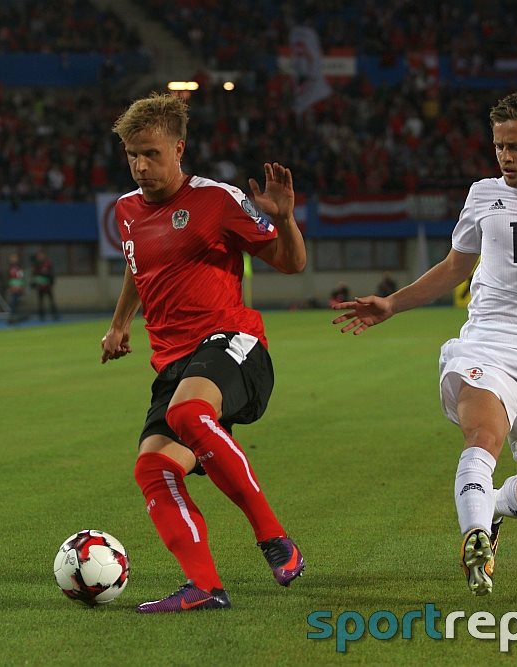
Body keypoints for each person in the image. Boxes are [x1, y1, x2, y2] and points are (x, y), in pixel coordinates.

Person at [331, 87, 517, 596]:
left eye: (516, 147)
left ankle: (488, 510)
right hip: (489, 341)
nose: (505, 157)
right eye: (499, 147)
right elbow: (454, 267)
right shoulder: (482, 194)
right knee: (483, 438)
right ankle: (475, 539)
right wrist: (391, 304)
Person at [101, 92, 307, 614]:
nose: (141, 165)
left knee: (187, 412)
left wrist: (284, 220)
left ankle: (275, 539)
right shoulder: (125, 210)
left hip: (234, 344)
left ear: (178, 148)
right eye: (132, 155)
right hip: (175, 364)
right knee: (153, 468)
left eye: (151, 153)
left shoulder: (216, 199)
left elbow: (292, 263)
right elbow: (136, 264)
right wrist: (120, 323)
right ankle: (205, 587)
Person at [30, 250, 59, 321]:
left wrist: (50, 279)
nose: (40, 257)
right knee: (41, 302)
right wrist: (33, 284)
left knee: (51, 301)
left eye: (41, 255)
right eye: (38, 256)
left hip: (47, 286)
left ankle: (55, 315)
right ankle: (41, 316)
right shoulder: (36, 265)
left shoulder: (48, 263)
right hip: (40, 287)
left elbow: (52, 274)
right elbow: (34, 275)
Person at [6, 253, 27, 324]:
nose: (13, 260)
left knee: (16, 302)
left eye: (14, 258)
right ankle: (13, 317)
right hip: (13, 288)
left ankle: (16, 317)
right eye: (12, 258)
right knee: (13, 302)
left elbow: (21, 278)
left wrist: (21, 287)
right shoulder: (9, 268)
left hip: (18, 288)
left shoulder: (19, 268)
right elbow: (8, 279)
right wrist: (10, 287)